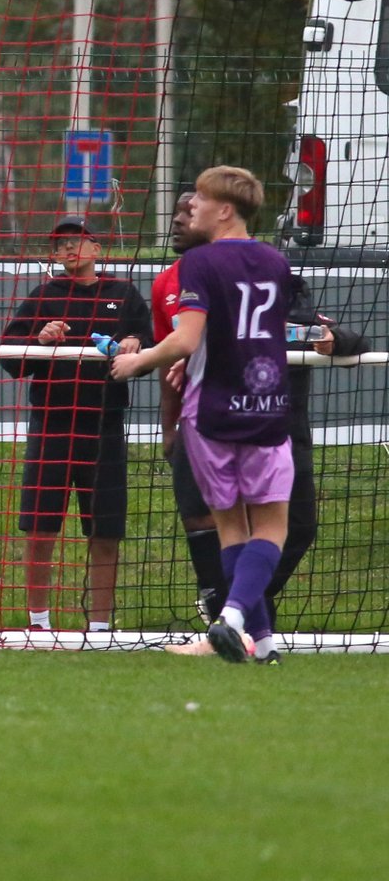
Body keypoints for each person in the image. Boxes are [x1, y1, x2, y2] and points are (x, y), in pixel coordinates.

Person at [151, 190, 367, 658]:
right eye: (180, 210)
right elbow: (177, 349)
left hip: (275, 422)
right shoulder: (175, 280)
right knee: (219, 525)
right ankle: (238, 627)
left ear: (223, 212)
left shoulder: (270, 271)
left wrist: (334, 338)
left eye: (192, 208)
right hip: (209, 421)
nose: (183, 218)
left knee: (286, 527)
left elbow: (328, 331)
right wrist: (168, 423)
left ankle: (238, 619)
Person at [113, 166, 295, 664]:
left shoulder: (199, 262)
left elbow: (187, 339)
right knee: (270, 528)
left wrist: (138, 362)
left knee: (233, 529)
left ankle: (235, 622)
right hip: (265, 406)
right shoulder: (276, 262)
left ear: (225, 210)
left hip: (211, 411)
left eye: (200, 197)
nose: (191, 204)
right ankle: (262, 642)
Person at [0, 215, 150, 633]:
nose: (68, 249)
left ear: (96, 249)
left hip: (104, 427)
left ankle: (99, 628)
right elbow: (10, 358)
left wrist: (137, 344)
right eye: (60, 244)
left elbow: (151, 347)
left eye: (77, 241)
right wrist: (39, 341)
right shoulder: (43, 296)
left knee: (105, 530)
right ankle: (38, 623)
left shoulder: (123, 294)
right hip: (51, 426)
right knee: (39, 527)